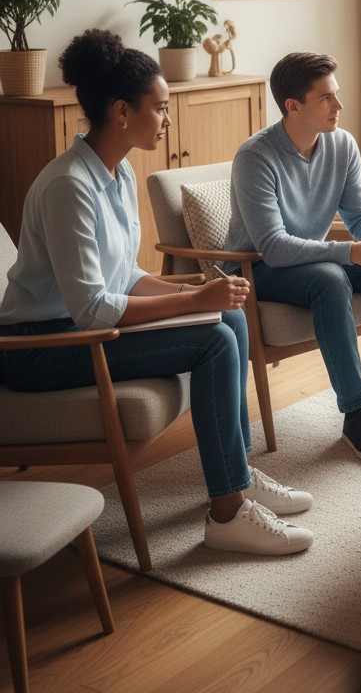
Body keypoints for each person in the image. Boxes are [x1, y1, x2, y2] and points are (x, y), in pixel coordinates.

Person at [0, 30, 313, 556]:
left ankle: (236, 475)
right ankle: (227, 515)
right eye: (161, 108)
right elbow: (92, 308)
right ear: (122, 111)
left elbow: (122, 275)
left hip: (79, 331)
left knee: (232, 318)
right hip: (39, 349)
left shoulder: (118, 172)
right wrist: (191, 302)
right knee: (214, 339)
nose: (168, 119)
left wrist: (195, 286)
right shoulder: (68, 186)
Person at [225, 52, 361, 463]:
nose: (339, 105)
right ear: (293, 106)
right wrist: (350, 251)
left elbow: (360, 213)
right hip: (257, 268)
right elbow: (274, 246)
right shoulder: (255, 157)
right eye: (326, 98)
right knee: (330, 277)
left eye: (336, 94)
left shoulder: (341, 144)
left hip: (313, 259)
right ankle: (357, 413)